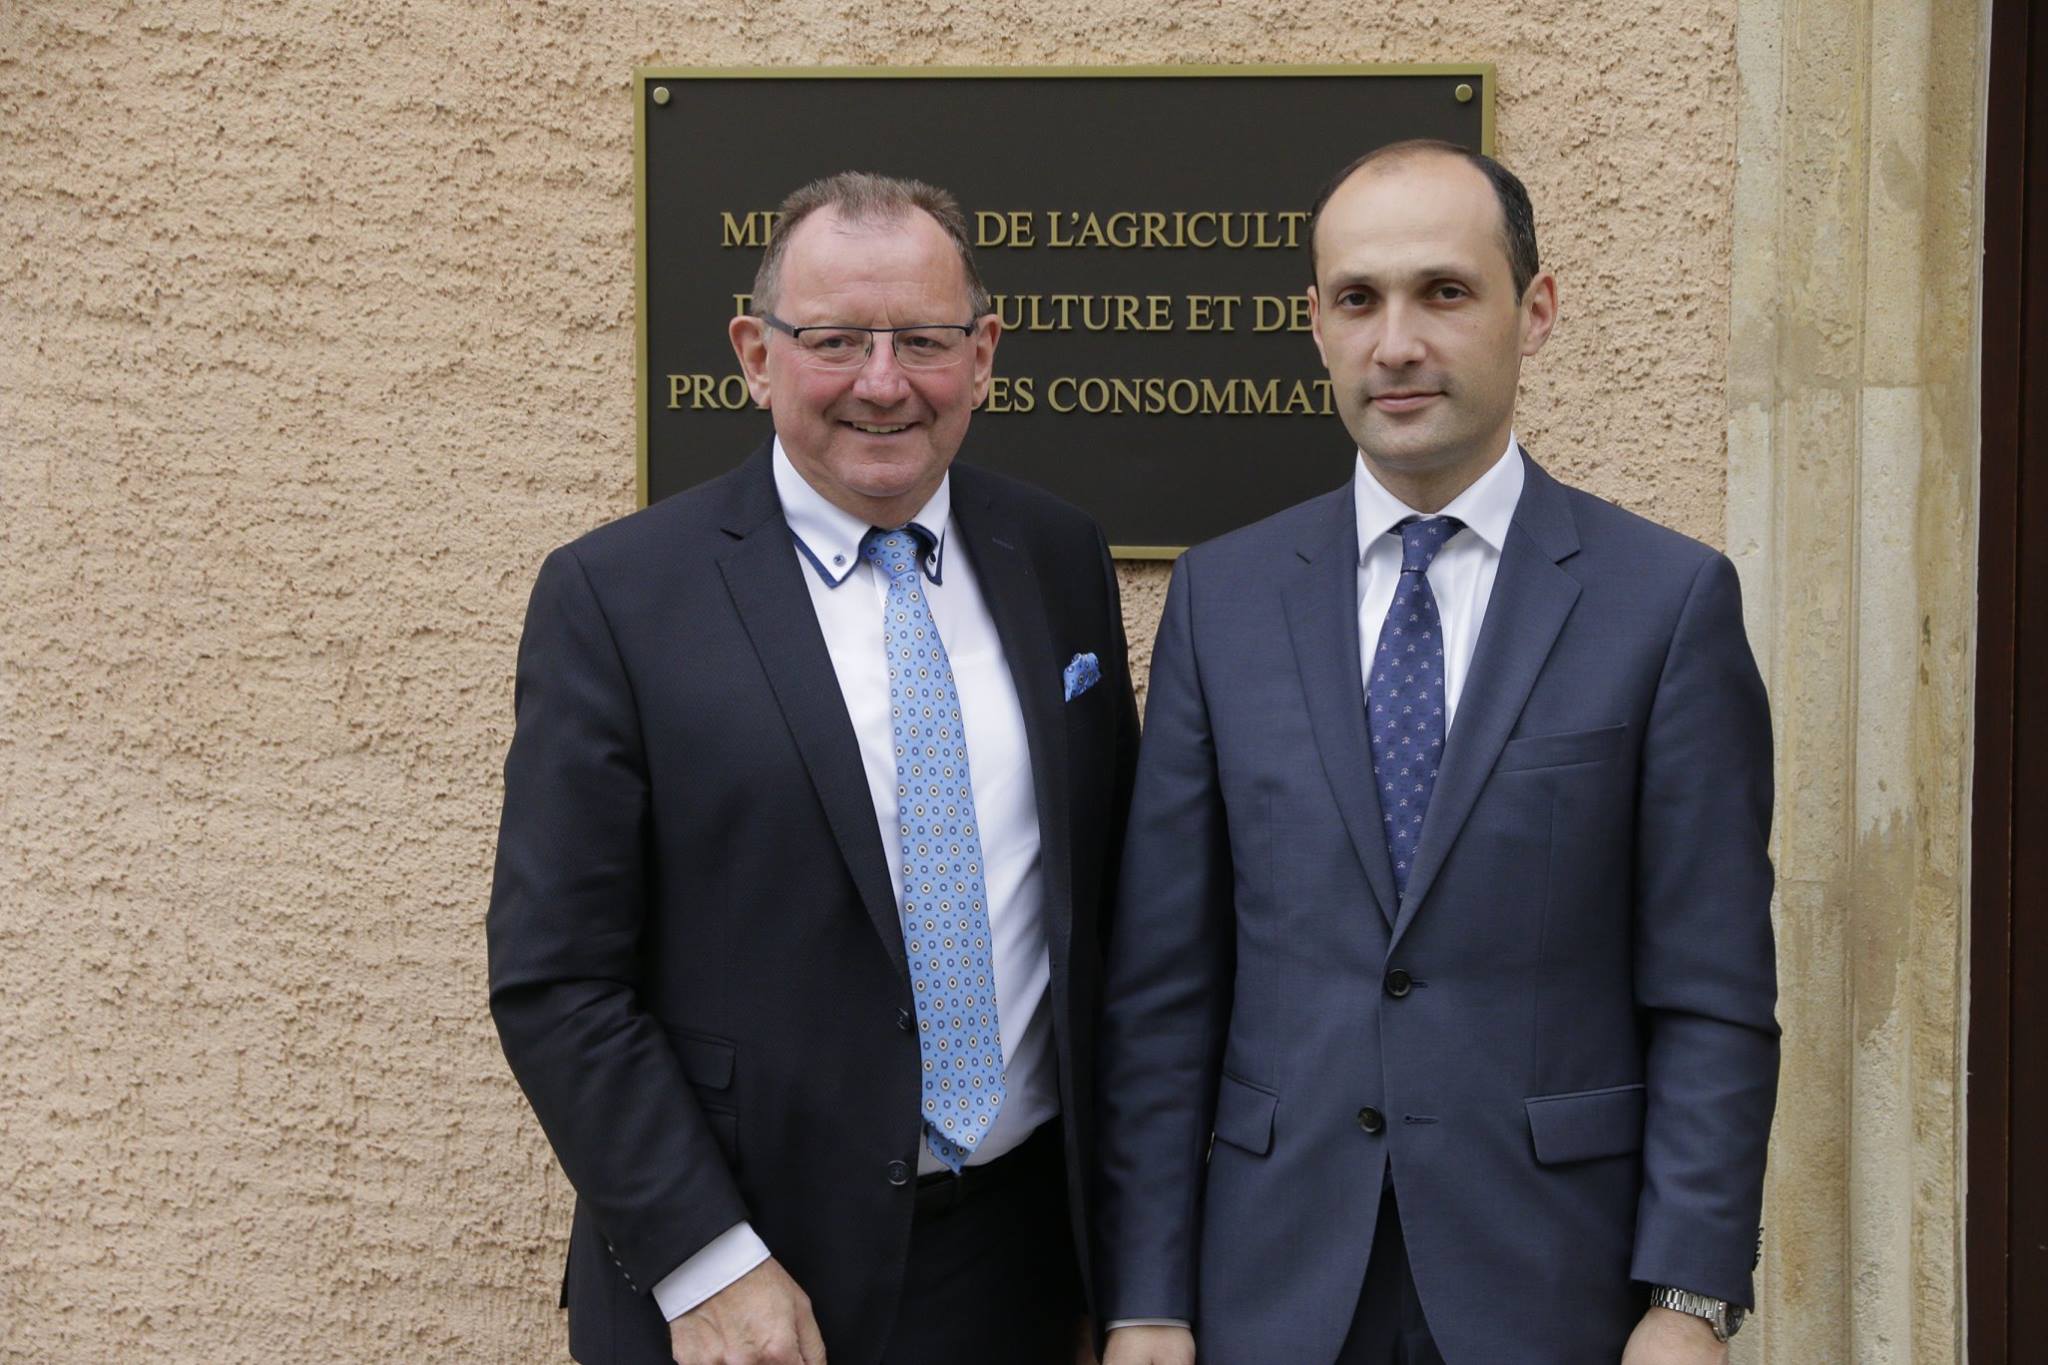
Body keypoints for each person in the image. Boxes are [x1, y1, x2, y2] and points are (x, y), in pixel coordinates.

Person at [1093, 141, 1778, 1365]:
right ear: (1315, 325)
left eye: (1443, 292)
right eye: (1357, 299)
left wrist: (1686, 1299)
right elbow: (1162, 991)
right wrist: (1146, 1299)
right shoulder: (1222, 600)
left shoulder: (1663, 604)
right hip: (1272, 1284)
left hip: (1555, 1286)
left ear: (1535, 309)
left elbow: (1711, 993)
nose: (1395, 343)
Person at [489, 171, 1137, 1365]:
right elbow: (557, 980)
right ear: (755, 355)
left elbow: (1106, 918)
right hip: (743, 1290)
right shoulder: (617, 598)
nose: (882, 383)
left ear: (982, 356)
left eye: (923, 341)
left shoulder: (1054, 556)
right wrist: (707, 1262)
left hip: (1017, 1271)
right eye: (834, 341)